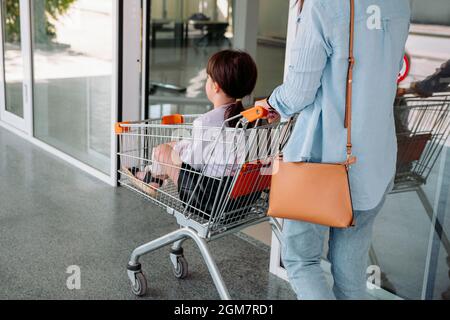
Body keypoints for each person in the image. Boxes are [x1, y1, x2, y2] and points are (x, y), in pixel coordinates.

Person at [256, 0, 411, 299]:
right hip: (375, 160)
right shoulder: (401, 3)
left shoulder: (323, 5)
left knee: (302, 262)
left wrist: (273, 104)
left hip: (322, 163)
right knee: (351, 275)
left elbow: (299, 91)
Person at [126, 50, 258, 209]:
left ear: (215, 86)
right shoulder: (248, 119)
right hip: (239, 196)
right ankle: (154, 177)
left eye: (208, 77)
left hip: (206, 197)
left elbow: (192, 164)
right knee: (177, 145)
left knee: (162, 150)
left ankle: (150, 176)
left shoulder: (205, 122)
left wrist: (177, 150)